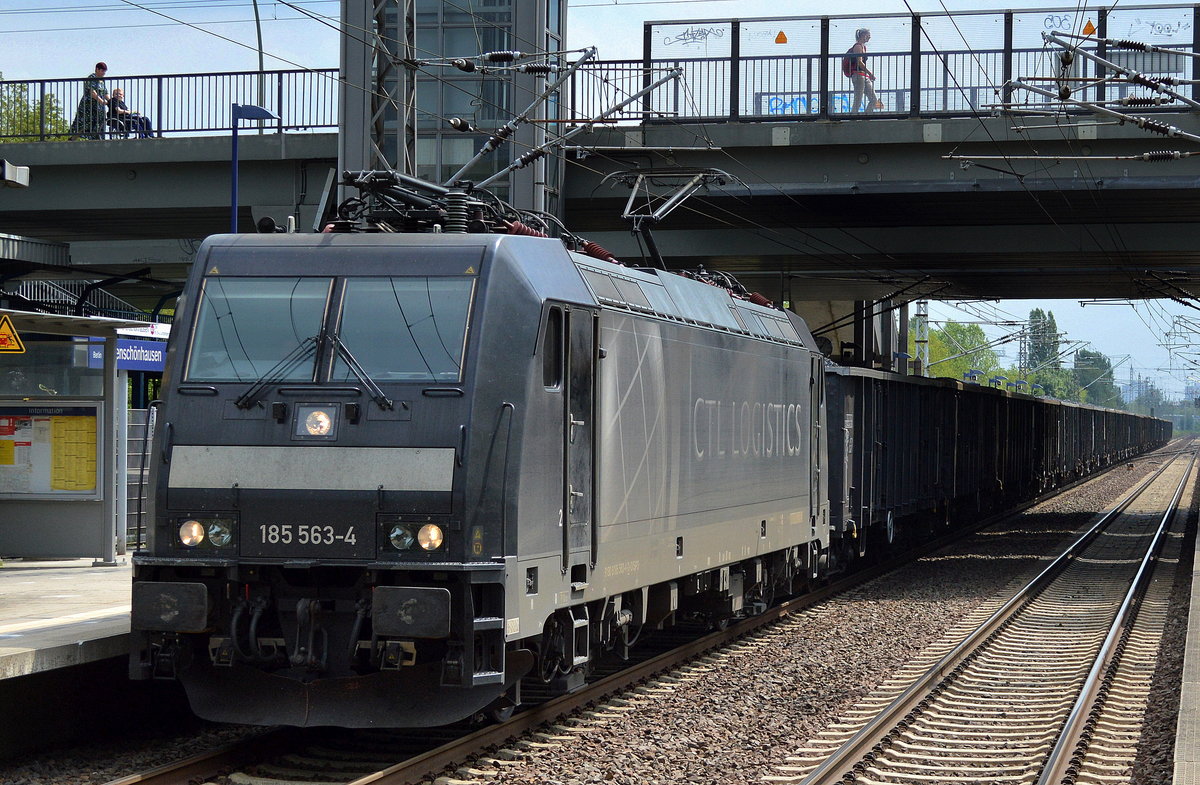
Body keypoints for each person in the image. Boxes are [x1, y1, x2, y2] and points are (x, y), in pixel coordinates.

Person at [69, 62, 109, 140]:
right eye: (102, 71)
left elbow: (105, 92)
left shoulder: (102, 80)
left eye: (105, 71)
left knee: (98, 123)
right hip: (88, 106)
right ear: (97, 69)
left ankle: (97, 140)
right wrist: (101, 101)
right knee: (85, 123)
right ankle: (72, 139)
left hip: (98, 107)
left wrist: (111, 101)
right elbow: (92, 92)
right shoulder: (91, 78)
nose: (104, 73)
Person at [844, 29, 878, 115]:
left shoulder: (863, 47)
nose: (869, 37)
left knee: (874, 99)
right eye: (868, 35)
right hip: (858, 75)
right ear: (863, 35)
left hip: (863, 75)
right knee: (858, 100)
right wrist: (870, 73)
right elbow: (859, 62)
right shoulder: (858, 46)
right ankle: (853, 118)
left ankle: (866, 116)